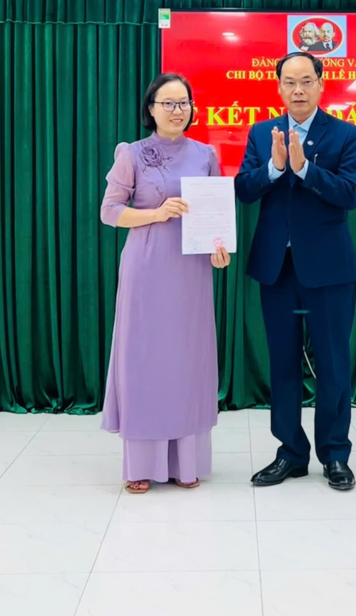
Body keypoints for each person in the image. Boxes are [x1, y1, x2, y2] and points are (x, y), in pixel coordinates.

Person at [235, 52, 356, 491]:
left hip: (328, 268)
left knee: (333, 362)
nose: (298, 90)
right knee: (283, 363)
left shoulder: (345, 134)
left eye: (306, 81)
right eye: (289, 82)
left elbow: (351, 194)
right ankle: (290, 453)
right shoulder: (261, 132)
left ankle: (335, 453)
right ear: (278, 88)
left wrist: (305, 169)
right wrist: (274, 168)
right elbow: (243, 189)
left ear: (321, 84)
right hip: (277, 268)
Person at [100, 73, 230, 494]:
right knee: (144, 360)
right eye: (168, 103)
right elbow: (109, 211)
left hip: (191, 272)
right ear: (151, 109)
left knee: (187, 362)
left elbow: (213, 215)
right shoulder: (132, 153)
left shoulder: (206, 154)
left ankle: (185, 462)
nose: (178, 111)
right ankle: (141, 464)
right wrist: (156, 214)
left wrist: (219, 249)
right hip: (147, 267)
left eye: (184, 103)